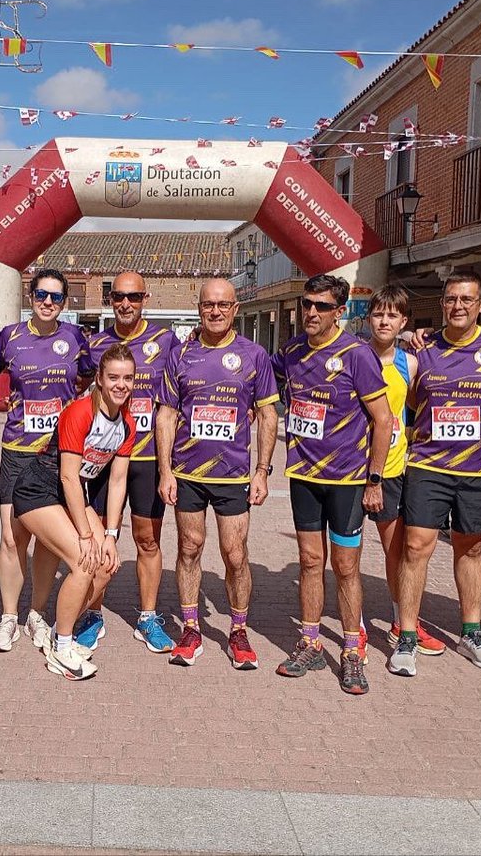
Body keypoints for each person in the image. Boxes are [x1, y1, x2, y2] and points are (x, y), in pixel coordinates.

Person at [270, 274, 392, 695]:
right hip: (304, 476)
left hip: (346, 480)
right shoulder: (291, 352)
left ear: (339, 312)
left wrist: (374, 480)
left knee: (345, 566)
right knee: (308, 561)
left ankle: (353, 651)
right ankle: (310, 642)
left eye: (322, 306)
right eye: (307, 304)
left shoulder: (356, 354)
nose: (311, 312)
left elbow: (383, 419)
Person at [390, 270, 481, 677]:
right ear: (442, 304)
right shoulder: (420, 351)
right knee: (415, 546)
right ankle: (407, 636)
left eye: (466, 299)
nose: (457, 306)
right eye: (450, 299)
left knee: (470, 548)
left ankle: (471, 632)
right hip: (429, 464)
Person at [157, 278, 279, 670]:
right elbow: (166, 416)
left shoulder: (254, 355)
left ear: (235, 309)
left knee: (235, 554)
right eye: (209, 304)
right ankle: (191, 629)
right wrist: (164, 472)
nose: (215, 311)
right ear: (198, 308)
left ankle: (238, 630)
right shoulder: (180, 356)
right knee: (189, 548)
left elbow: (268, 415)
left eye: (223, 305)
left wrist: (261, 471)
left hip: (233, 474)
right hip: (187, 471)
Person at [0, 268, 94, 653]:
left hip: (58, 456)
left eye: (56, 298)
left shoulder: (75, 338)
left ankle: (37, 614)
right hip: (17, 450)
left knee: (47, 542)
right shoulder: (10, 337)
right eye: (42, 295)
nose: (48, 302)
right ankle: (8, 618)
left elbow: (86, 382)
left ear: (64, 303)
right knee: (12, 538)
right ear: (31, 296)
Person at [12, 343, 137, 680]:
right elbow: (67, 475)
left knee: (107, 566)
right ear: (99, 378)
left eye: (127, 378)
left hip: (72, 495)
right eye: (113, 377)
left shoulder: (127, 422)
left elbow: (117, 482)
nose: (120, 385)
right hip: (39, 489)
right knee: (84, 562)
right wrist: (86, 535)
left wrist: (110, 535)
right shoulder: (80, 412)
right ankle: (62, 648)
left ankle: (58, 630)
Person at [80, 270, 181, 654]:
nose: (126, 304)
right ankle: (92, 613)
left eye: (134, 297)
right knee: (98, 538)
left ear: (145, 298)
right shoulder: (98, 344)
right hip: (104, 459)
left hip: (147, 459)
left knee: (147, 540)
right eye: (119, 297)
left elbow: (181, 392)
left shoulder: (164, 340)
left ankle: (148, 617)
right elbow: (77, 390)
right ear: (110, 301)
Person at [363, 286, 447, 657]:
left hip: (392, 466)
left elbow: (416, 405)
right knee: (344, 553)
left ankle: (402, 622)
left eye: (392, 315)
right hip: (350, 468)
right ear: (369, 318)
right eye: (379, 313)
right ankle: (354, 626)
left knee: (394, 549)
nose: (384, 321)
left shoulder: (408, 363)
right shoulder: (354, 355)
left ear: (403, 322)